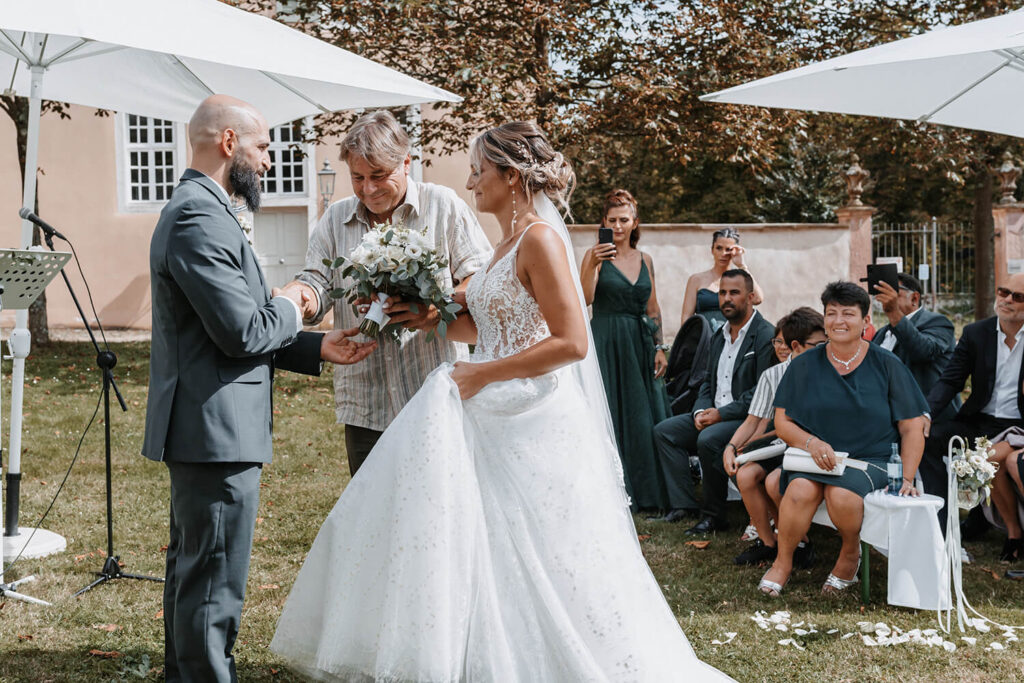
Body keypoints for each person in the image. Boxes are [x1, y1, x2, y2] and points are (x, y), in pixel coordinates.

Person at [270, 122, 733, 682]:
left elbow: (570, 341)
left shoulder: (538, 238)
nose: (470, 183)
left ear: (511, 178)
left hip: (530, 414)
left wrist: (481, 374)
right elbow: (489, 320)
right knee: (488, 550)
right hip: (489, 410)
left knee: (545, 552)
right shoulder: (506, 244)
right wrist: (432, 315)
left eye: (478, 172)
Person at [142, 95, 377, 682]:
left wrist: (317, 347)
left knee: (197, 571)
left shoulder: (208, 209)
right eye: (264, 146)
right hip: (214, 431)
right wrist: (294, 304)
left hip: (211, 427)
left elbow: (227, 328)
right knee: (213, 582)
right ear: (228, 143)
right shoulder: (199, 215)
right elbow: (245, 328)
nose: (270, 161)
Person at [280, 110, 492, 475]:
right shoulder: (336, 218)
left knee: (437, 513)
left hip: (434, 394)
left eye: (379, 175)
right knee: (371, 520)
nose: (368, 188)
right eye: (358, 177)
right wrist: (303, 297)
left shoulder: (443, 206)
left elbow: (483, 282)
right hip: (366, 401)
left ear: (406, 162)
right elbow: (316, 280)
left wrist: (433, 307)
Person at [757, 281, 928, 597]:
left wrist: (905, 476)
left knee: (842, 495)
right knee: (798, 489)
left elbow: (912, 427)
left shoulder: (887, 364)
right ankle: (783, 562)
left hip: (871, 460)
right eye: (831, 313)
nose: (838, 321)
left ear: (865, 322)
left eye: (848, 313)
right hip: (815, 457)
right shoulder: (805, 364)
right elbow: (782, 421)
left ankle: (850, 552)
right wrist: (812, 443)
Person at [653, 270, 776, 532]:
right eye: (722, 293)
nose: (726, 299)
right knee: (665, 432)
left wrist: (720, 415)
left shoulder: (764, 334)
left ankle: (714, 516)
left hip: (746, 419)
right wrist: (700, 411)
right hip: (713, 412)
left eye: (734, 293)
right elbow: (708, 380)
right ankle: (684, 503)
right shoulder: (719, 334)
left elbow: (759, 393)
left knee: (708, 439)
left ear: (751, 297)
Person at [579, 188, 671, 511]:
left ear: (635, 222)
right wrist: (590, 264)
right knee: (612, 411)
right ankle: (614, 491)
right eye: (612, 220)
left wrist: (660, 346)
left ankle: (650, 491)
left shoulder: (646, 260)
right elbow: (585, 300)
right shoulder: (595, 258)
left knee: (643, 412)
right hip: (606, 340)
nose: (618, 226)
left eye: (624, 219)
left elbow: (653, 307)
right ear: (603, 222)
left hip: (641, 342)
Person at [923, 274, 1024, 560]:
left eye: (1018, 297)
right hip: (979, 419)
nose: (1006, 299)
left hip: (1019, 426)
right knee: (932, 437)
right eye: (1004, 291)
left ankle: (1013, 534)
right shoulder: (975, 333)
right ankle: (940, 521)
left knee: (992, 458)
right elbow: (950, 380)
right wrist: (926, 415)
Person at [725, 308, 827, 565]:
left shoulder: (827, 372)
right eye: (819, 344)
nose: (826, 347)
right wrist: (731, 446)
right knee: (745, 474)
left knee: (773, 481)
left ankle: (800, 543)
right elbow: (752, 419)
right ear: (797, 346)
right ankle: (768, 542)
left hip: (807, 445)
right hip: (779, 444)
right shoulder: (773, 375)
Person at [871, 272, 957, 418]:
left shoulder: (937, 322)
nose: (886, 298)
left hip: (928, 418)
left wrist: (894, 314)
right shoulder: (881, 333)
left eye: (894, 292)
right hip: (889, 417)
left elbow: (924, 351)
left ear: (914, 298)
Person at [680, 227, 764, 332]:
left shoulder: (740, 280)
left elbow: (757, 299)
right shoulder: (696, 280)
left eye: (728, 249)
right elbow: (686, 317)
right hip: (703, 339)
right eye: (719, 248)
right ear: (712, 250)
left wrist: (742, 265)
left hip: (734, 338)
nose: (723, 253)